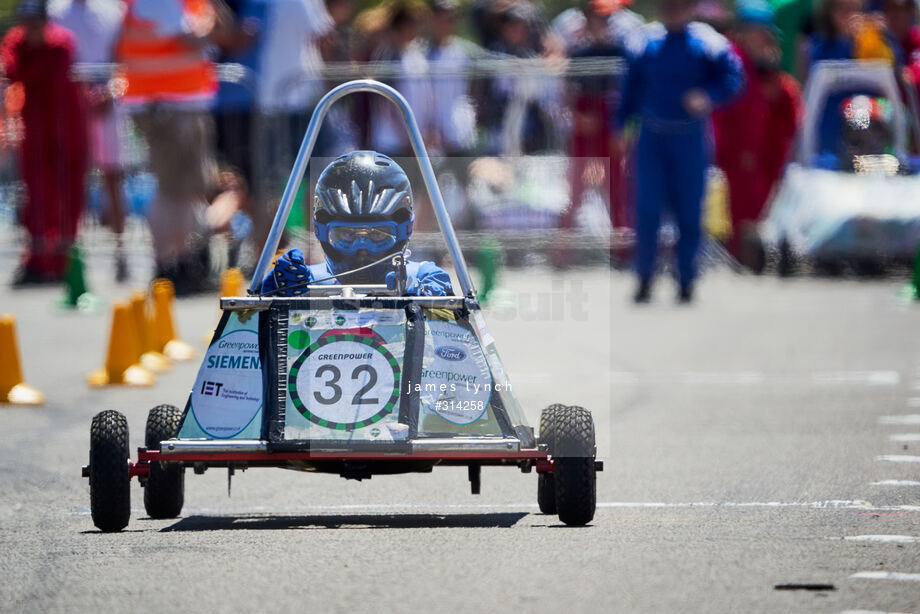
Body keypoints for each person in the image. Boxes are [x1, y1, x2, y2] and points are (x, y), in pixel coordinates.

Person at [617, 0, 744, 303]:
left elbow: (734, 79)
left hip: (689, 137)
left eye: (679, 7)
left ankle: (686, 279)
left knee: (689, 210)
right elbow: (630, 89)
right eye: (667, 7)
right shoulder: (644, 41)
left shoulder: (708, 42)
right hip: (652, 136)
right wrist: (620, 127)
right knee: (647, 210)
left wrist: (708, 95)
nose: (672, 13)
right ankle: (644, 277)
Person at [115, 0, 219, 293]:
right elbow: (190, 40)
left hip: (166, 104)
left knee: (179, 190)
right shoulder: (161, 2)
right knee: (174, 190)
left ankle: (176, 262)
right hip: (171, 105)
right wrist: (210, 21)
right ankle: (169, 264)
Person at [261, 151, 453, 297]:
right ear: (321, 231)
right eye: (347, 234)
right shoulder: (303, 283)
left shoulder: (424, 278)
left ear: (405, 231)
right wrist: (275, 295)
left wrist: (424, 301)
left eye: (377, 235)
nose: (362, 250)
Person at [1, 0, 88, 286]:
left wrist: (28, 68)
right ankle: (38, 257)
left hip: (68, 130)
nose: (31, 30)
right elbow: (10, 69)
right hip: (36, 133)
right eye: (27, 23)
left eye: (36, 23)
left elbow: (47, 77)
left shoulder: (61, 42)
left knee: (69, 196)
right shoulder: (16, 40)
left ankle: (65, 258)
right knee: (37, 196)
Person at [713, 0, 801, 264]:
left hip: (757, 158)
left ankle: (747, 256)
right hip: (737, 157)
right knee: (739, 212)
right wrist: (736, 151)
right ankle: (738, 256)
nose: (766, 40)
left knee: (759, 211)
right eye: (760, 33)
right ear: (745, 31)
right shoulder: (731, 60)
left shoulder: (758, 67)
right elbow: (725, 115)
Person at [49, 0, 128, 282]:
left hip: (108, 102)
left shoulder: (113, 9)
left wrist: (111, 90)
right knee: (70, 180)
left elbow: (123, 57)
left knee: (112, 180)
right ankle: (69, 260)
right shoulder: (55, 10)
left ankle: (121, 254)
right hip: (69, 103)